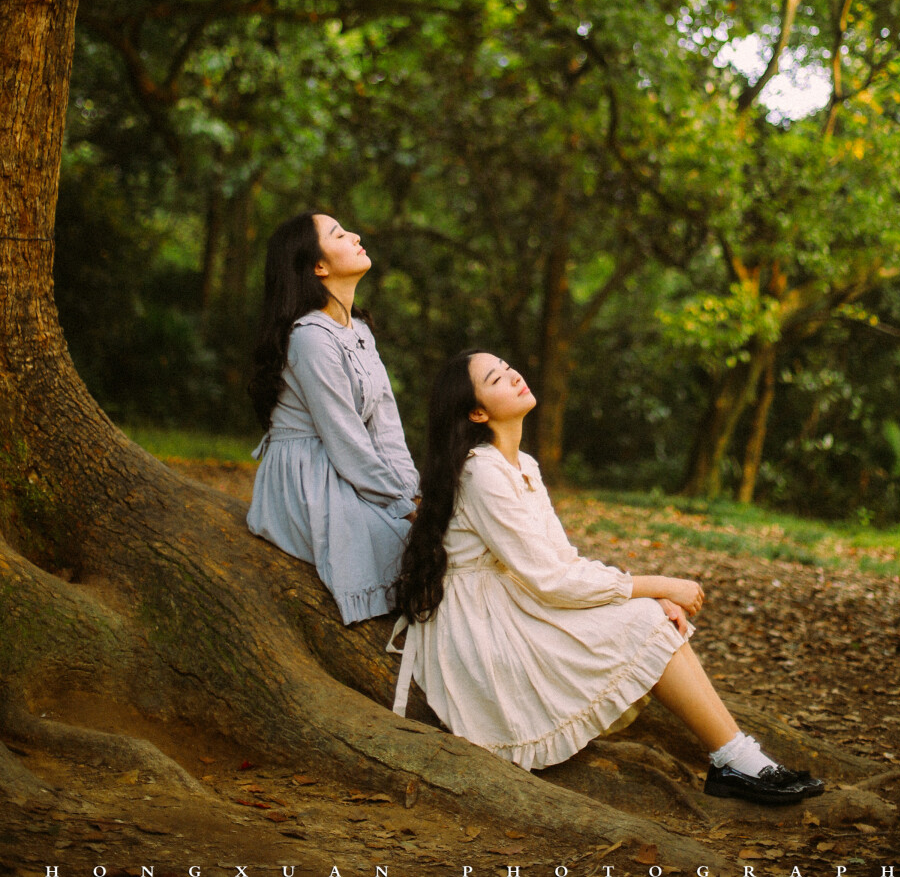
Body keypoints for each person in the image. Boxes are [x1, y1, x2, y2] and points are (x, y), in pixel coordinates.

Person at [390, 350, 824, 806]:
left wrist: (643, 593)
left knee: (648, 616)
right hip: (484, 625)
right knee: (647, 618)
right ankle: (736, 760)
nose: (514, 374)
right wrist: (661, 585)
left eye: (509, 366)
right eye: (497, 378)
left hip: (519, 599)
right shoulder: (481, 471)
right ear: (477, 412)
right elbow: (551, 580)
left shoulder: (524, 467)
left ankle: (736, 759)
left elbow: (564, 561)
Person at [246, 211, 419, 623]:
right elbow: (346, 439)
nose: (357, 235)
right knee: (410, 546)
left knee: (431, 535)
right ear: (318, 266)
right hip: (310, 476)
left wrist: (410, 490)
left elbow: (385, 422)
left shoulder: (358, 329)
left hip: (346, 467)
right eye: (340, 234)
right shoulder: (310, 338)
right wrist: (401, 507)